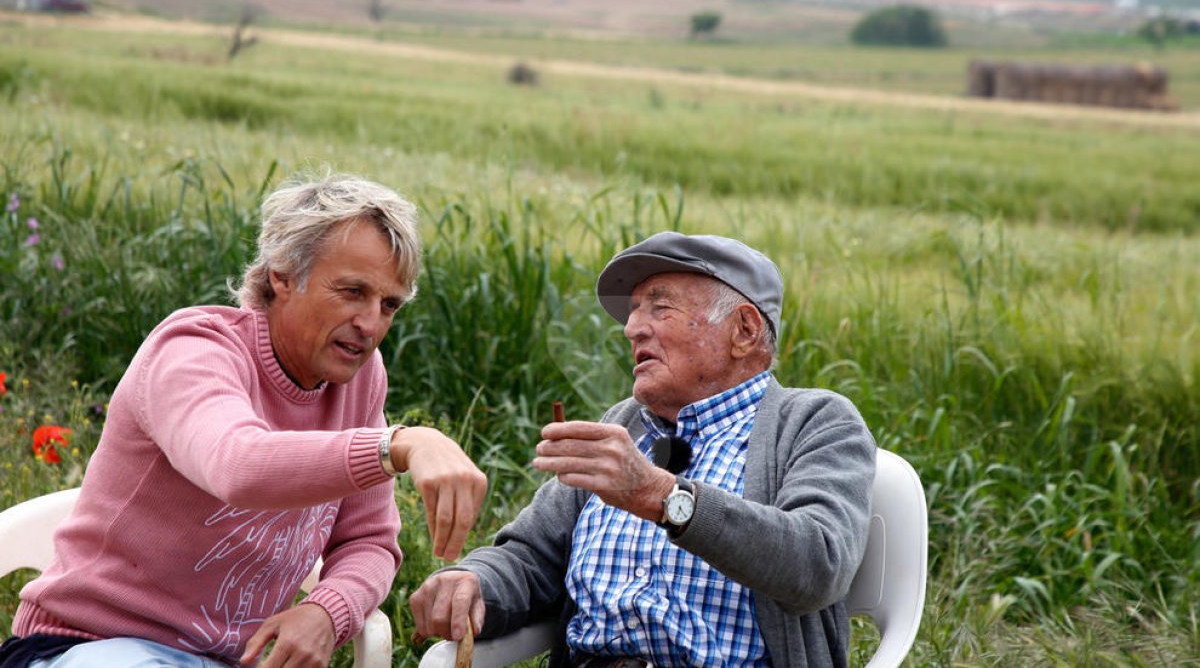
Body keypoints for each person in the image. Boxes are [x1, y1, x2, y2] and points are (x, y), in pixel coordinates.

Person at [1, 174, 488, 668]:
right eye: (351, 291)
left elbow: (370, 541)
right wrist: (398, 446)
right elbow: (237, 466)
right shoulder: (193, 349)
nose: (370, 324)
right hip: (84, 644)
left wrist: (326, 610)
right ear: (283, 275)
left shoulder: (360, 379)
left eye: (389, 305)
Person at [411, 232, 877, 668]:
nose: (632, 328)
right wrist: (474, 581)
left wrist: (663, 498)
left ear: (744, 330)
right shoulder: (624, 423)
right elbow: (532, 556)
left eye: (660, 307)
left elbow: (819, 564)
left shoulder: (814, 422)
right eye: (634, 312)